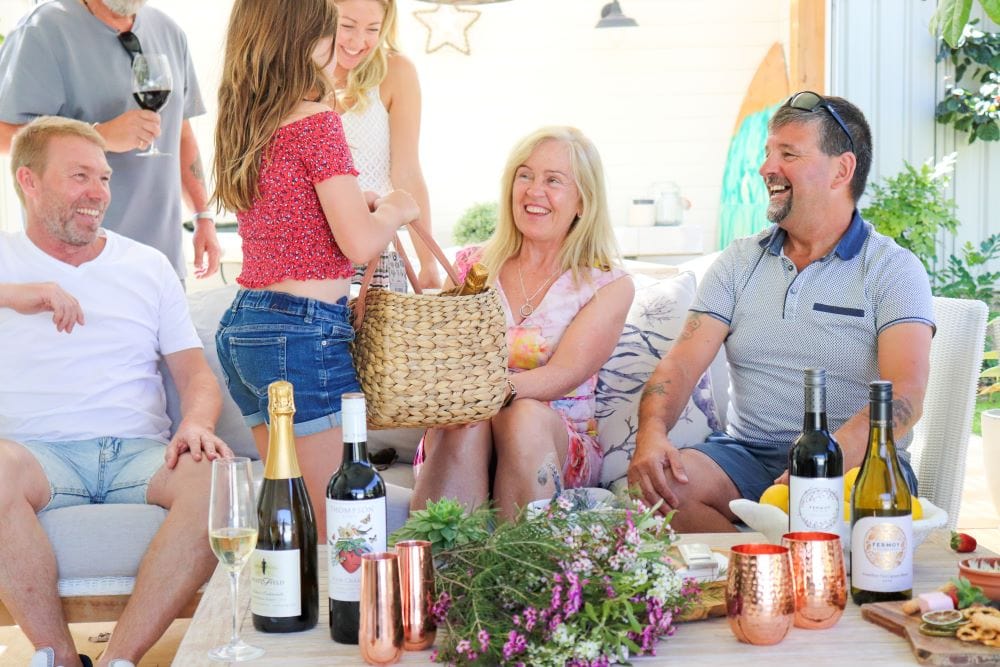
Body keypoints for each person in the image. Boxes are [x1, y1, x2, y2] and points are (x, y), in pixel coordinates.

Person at [628, 92, 935, 533]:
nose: (766, 168)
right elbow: (681, 363)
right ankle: (764, 570)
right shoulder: (739, 261)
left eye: (788, 154)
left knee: (834, 514)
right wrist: (651, 433)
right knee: (660, 490)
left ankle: (773, 569)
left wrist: (822, 463)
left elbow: (905, 392)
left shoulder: (893, 269)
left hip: (859, 464)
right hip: (749, 456)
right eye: (768, 152)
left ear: (841, 170)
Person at [0, 117, 231, 667]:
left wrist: (196, 424)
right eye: (79, 176)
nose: (99, 192)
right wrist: (11, 294)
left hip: (140, 455)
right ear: (29, 181)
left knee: (217, 479)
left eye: (103, 178)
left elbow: (195, 376)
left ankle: (118, 661)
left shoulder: (146, 265)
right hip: (36, 456)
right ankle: (58, 658)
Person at [213, 0, 419, 530]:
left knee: (291, 517)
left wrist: (359, 205)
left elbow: (293, 215)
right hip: (302, 334)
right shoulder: (318, 122)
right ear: (303, 40)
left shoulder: (249, 121)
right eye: (331, 32)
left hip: (246, 328)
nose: (341, 45)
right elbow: (360, 244)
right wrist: (396, 208)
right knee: (341, 524)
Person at [410, 126, 635, 521]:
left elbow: (566, 372)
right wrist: (476, 401)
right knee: (469, 419)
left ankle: (520, 556)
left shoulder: (608, 284)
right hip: (467, 425)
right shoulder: (471, 266)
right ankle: (444, 556)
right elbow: (441, 356)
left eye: (553, 180)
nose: (534, 191)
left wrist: (493, 392)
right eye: (525, 175)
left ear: (583, 201)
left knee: (522, 415)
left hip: (555, 440)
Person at [0, 0, 221, 283]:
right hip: (76, 272)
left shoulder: (170, 31)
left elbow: (181, 133)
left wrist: (203, 215)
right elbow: (4, 135)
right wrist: (98, 135)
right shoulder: (41, 30)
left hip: (162, 268)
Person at [333, 0, 441, 290]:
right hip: (308, 253)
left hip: (371, 256)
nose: (358, 42)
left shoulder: (396, 71)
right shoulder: (297, 73)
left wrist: (428, 264)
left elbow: (407, 173)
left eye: (372, 29)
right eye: (347, 26)